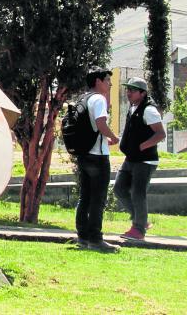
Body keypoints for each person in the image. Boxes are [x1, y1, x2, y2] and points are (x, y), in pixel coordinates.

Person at [75, 67, 120, 252]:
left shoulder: (83, 99)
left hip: (84, 154)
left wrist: (104, 137)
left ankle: (82, 237)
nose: (110, 84)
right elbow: (101, 123)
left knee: (84, 197)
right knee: (98, 199)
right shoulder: (99, 99)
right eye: (107, 80)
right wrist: (114, 137)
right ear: (98, 81)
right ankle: (96, 239)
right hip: (98, 157)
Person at [114, 77, 165, 241]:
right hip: (131, 158)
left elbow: (160, 134)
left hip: (145, 160)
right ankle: (141, 221)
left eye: (132, 90)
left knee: (138, 193)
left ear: (142, 93)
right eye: (127, 89)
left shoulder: (149, 110)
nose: (128, 92)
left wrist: (144, 146)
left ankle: (138, 230)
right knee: (119, 188)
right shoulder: (133, 108)